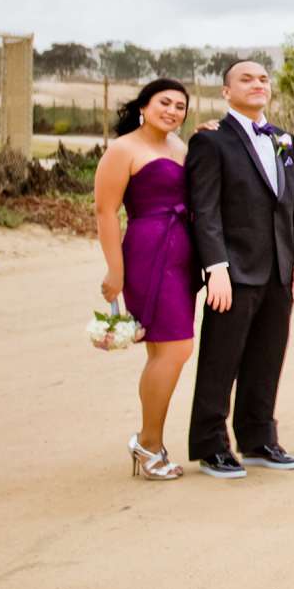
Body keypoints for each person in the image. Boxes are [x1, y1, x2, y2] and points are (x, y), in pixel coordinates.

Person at [183, 59, 294, 480]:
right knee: (221, 360)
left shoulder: (282, 140)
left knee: (267, 356)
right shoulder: (212, 141)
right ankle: (210, 444)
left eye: (263, 78)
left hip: (278, 268)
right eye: (246, 79)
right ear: (226, 92)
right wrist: (215, 266)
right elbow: (205, 209)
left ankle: (258, 439)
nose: (258, 84)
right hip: (233, 270)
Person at [94, 78, 198, 480]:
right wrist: (115, 269)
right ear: (143, 105)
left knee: (168, 351)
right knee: (174, 349)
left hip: (183, 256)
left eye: (179, 106)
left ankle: (151, 441)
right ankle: (148, 443)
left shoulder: (181, 148)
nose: (172, 111)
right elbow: (105, 212)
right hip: (147, 253)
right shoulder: (123, 149)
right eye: (164, 103)